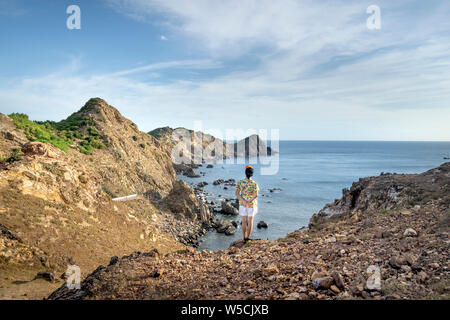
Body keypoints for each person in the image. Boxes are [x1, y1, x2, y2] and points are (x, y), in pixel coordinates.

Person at [235, 165, 259, 242]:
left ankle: (244, 237)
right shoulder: (254, 183)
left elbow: (237, 194)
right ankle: (248, 237)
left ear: (245, 173)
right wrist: (249, 201)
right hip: (251, 205)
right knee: (250, 221)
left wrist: (243, 201)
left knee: (244, 221)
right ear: (252, 174)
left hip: (242, 204)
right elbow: (256, 195)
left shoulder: (240, 182)